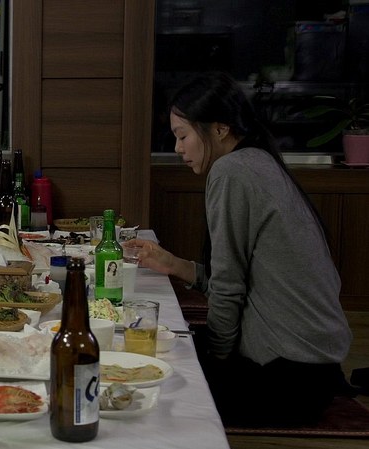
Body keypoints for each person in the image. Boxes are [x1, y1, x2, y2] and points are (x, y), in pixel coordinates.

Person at [123, 71, 352, 427]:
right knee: (164, 349)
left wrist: (216, 363)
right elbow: (240, 276)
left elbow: (229, 288)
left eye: (182, 136)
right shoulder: (257, 161)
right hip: (314, 367)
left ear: (219, 129)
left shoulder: (232, 171)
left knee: (154, 386)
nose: (178, 148)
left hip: (289, 376)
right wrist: (174, 264)